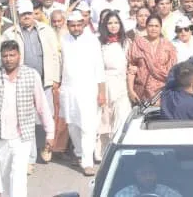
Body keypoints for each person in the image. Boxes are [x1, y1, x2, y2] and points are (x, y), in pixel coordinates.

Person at [0, 40, 54, 197]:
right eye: (5, 55)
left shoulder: (31, 75)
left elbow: (42, 107)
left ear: (19, 56)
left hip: (22, 137)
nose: (8, 59)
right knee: (2, 176)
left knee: (18, 176)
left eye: (12, 55)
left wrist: (50, 133)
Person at [2, 0, 61, 165]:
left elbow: (55, 56)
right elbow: (5, 58)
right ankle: (30, 158)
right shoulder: (10, 33)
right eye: (23, 14)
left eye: (29, 13)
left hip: (46, 81)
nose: (26, 17)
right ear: (18, 16)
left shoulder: (46, 30)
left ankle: (47, 147)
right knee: (26, 120)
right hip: (22, 82)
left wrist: (55, 78)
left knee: (46, 117)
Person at [59, 10, 107, 176]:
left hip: (89, 90)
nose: (76, 28)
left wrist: (101, 91)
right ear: (68, 26)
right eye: (73, 25)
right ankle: (80, 153)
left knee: (88, 127)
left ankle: (87, 162)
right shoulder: (63, 39)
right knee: (72, 125)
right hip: (69, 90)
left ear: (84, 24)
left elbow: (99, 67)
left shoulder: (92, 41)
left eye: (79, 24)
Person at [97, 10, 132, 157]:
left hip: (122, 83)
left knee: (122, 115)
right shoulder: (100, 43)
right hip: (105, 82)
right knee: (104, 119)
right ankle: (103, 152)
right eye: (110, 23)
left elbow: (131, 61)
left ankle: (120, 149)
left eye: (116, 23)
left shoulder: (126, 42)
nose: (113, 26)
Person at [127, 14, 179, 105]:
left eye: (156, 26)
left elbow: (173, 71)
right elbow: (132, 69)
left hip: (163, 92)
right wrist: (131, 90)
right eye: (150, 26)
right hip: (141, 93)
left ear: (160, 28)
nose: (153, 29)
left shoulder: (168, 46)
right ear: (146, 27)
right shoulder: (138, 43)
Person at [113, 155, 183, 197]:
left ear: (156, 173)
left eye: (151, 173)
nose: (148, 177)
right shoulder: (124, 194)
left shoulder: (168, 193)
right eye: (143, 173)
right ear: (135, 174)